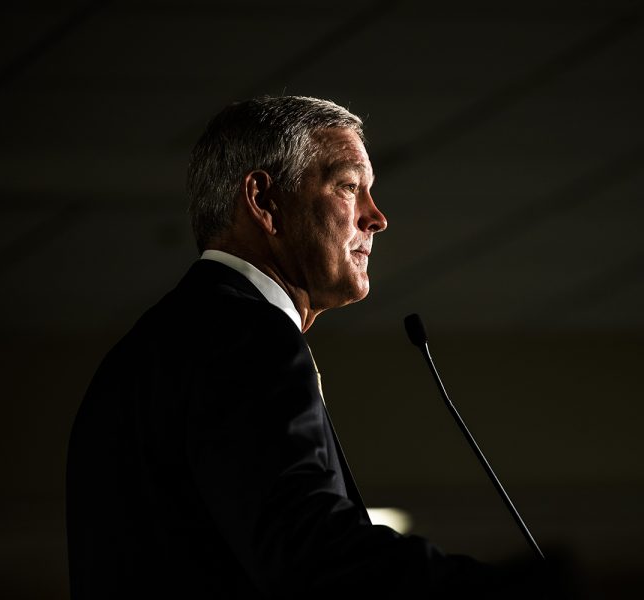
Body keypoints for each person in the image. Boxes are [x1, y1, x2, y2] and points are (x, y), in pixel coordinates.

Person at [66, 95, 561, 598]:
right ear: (263, 201)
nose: (377, 218)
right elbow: (311, 555)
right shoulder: (246, 336)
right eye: (349, 187)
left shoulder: (139, 355)